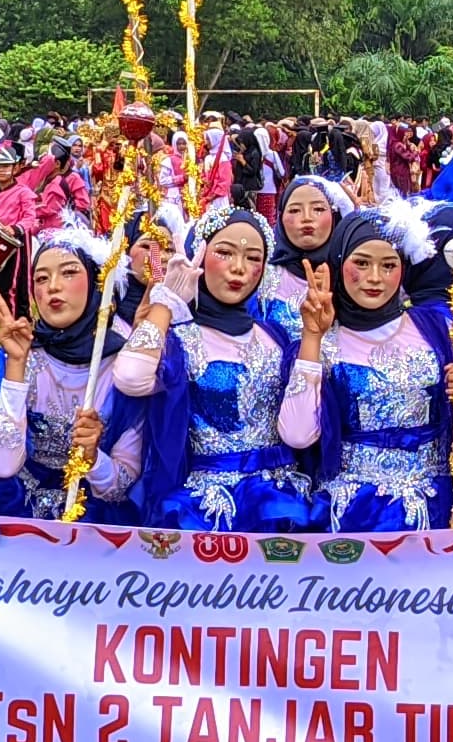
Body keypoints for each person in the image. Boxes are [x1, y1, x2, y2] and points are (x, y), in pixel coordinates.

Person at [114, 209, 316, 532]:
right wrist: (166, 301)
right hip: (207, 508)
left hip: (279, 503)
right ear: (199, 255)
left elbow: (301, 432)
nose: (238, 269)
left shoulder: (276, 338)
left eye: (253, 258)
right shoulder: (179, 338)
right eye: (224, 253)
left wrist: (312, 339)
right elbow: (129, 378)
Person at [282, 207, 453, 531]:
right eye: (361, 263)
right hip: (357, 516)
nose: (375, 278)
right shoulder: (323, 341)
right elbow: (298, 436)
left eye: (388, 266)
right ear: (339, 262)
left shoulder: (434, 328)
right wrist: (312, 337)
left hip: (437, 510)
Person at [0, 225, 143, 521]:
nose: (53, 286)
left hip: (94, 525)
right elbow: (0, 465)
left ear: (96, 283)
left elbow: (122, 487)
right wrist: (16, 368)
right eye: (41, 278)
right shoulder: (11, 359)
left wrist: (93, 459)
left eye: (68, 273)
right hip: (18, 516)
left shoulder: (124, 369)